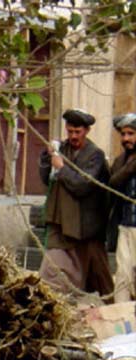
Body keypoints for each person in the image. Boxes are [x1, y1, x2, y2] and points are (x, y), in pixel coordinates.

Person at [38, 108, 113, 299]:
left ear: (86, 131)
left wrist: (61, 168)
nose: (73, 136)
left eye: (77, 132)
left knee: (99, 277)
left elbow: (83, 185)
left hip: (85, 227)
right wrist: (47, 158)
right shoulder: (62, 149)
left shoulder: (95, 155)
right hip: (59, 221)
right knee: (52, 272)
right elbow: (47, 179)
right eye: (70, 131)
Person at [109, 113, 136, 303]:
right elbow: (112, 184)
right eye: (123, 134)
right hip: (126, 226)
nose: (126, 139)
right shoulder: (121, 162)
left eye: (131, 134)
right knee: (123, 275)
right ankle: (124, 324)